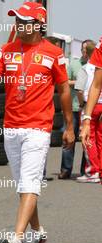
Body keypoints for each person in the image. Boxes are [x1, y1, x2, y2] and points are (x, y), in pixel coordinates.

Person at [0, 2, 75, 243]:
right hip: (12, 128)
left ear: (38, 24)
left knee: (28, 182)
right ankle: (37, 231)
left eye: (24, 20)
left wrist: (70, 126)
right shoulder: (6, 50)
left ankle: (16, 238)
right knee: (23, 186)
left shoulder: (53, 53)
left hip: (38, 128)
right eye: (16, 20)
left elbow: (63, 91)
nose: (19, 24)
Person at [58, 40, 91, 180]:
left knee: (86, 141)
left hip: (87, 109)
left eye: (86, 49)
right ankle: (65, 170)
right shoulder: (74, 64)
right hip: (74, 107)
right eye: (82, 49)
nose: (84, 51)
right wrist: (79, 83)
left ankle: (86, 170)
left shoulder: (95, 66)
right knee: (69, 140)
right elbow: (64, 81)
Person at [74, 40, 101, 183]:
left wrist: (83, 105)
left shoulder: (85, 68)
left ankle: (93, 171)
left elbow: (79, 89)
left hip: (90, 106)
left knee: (88, 138)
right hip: (100, 105)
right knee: (100, 139)